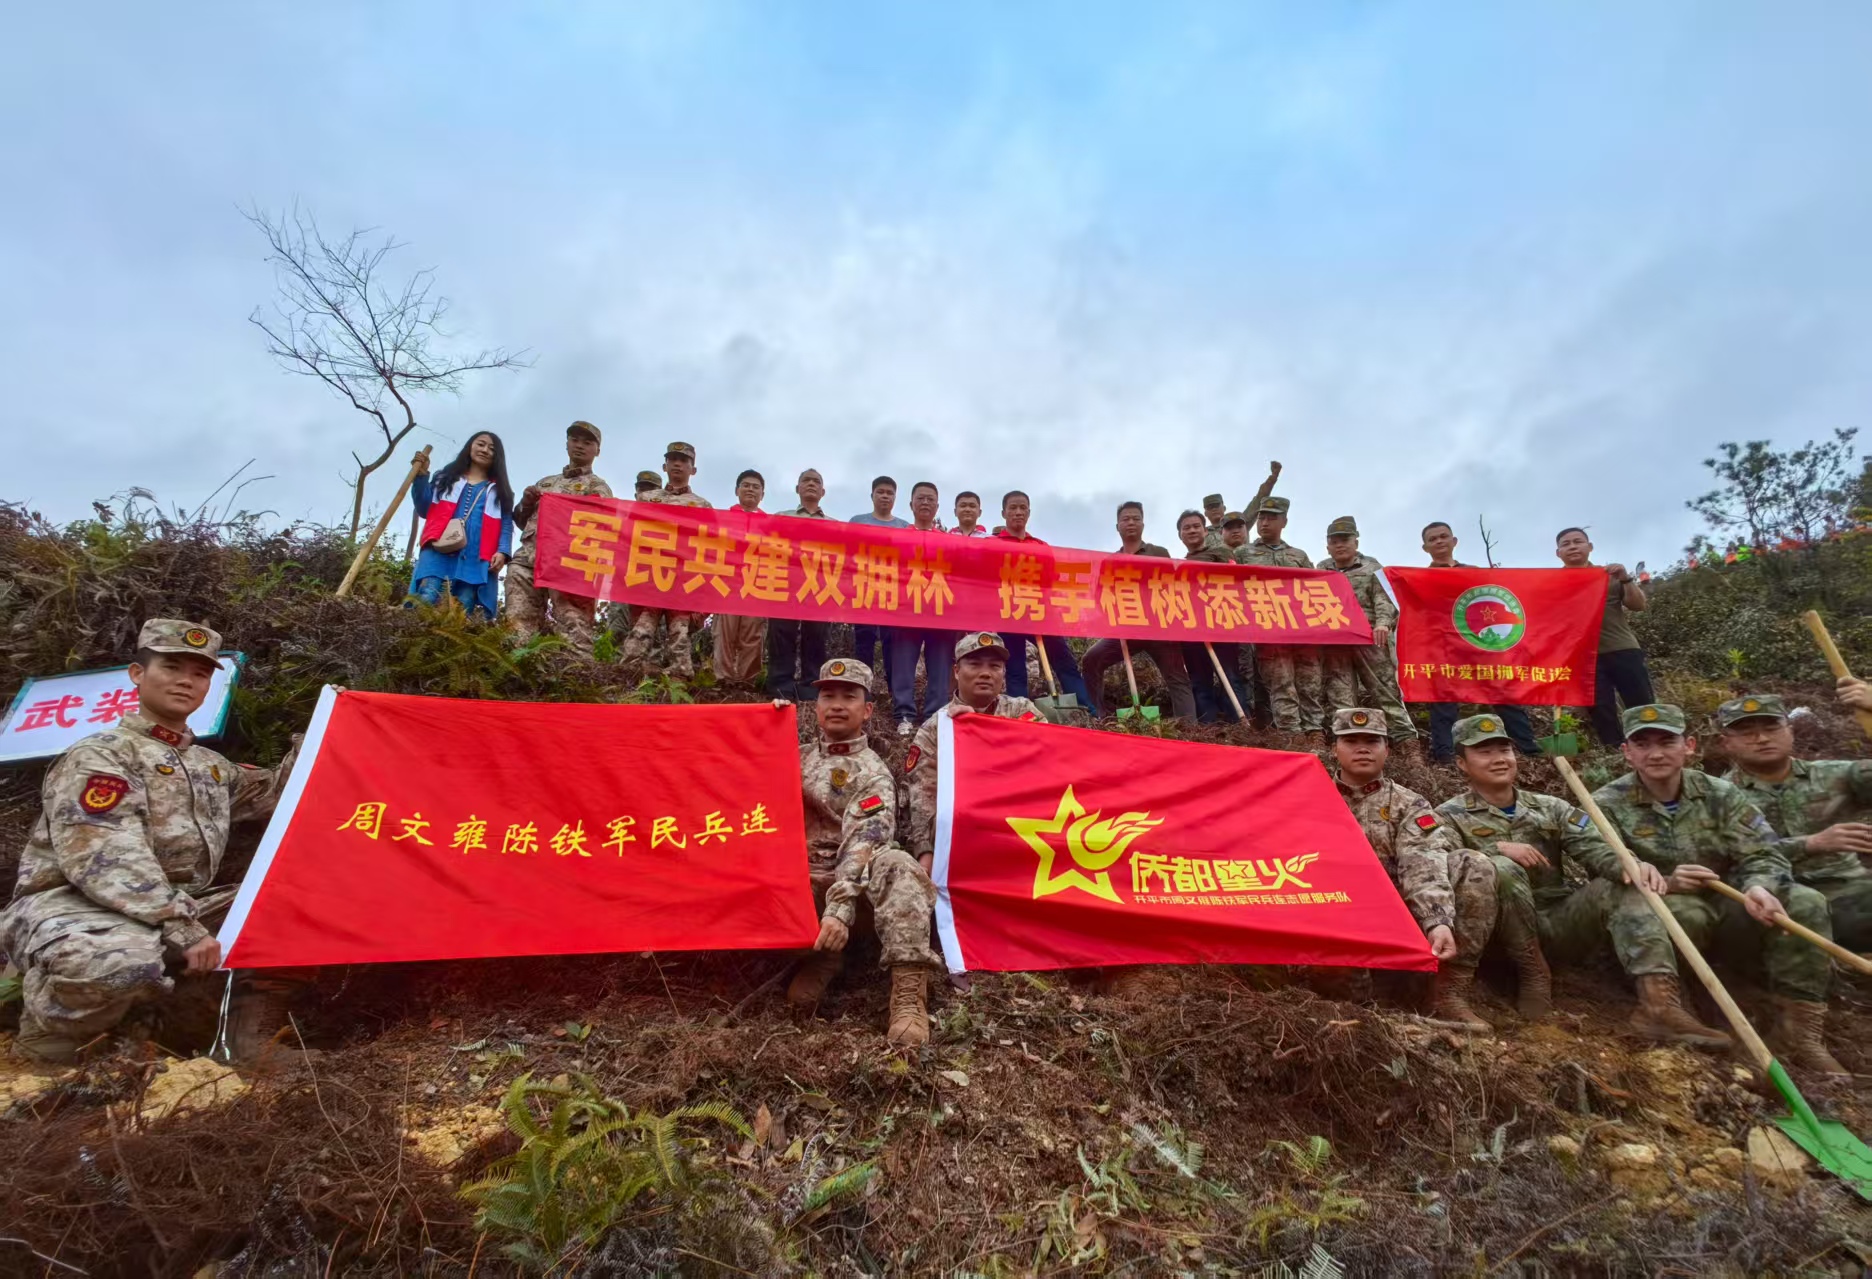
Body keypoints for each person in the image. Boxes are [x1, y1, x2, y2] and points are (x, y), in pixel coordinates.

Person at [2, 620, 305, 1064]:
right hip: (76, 905)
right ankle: (49, 1040)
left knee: (293, 904)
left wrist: (324, 731)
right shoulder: (101, 755)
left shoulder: (209, 766)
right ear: (137, 673)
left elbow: (284, 791)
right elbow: (104, 855)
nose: (186, 681)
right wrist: (180, 926)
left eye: (199, 673)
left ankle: (247, 1042)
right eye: (172, 667)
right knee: (120, 962)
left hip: (174, 906)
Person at [1591, 704, 1845, 1074]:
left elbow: (1763, 851)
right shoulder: (1606, 803)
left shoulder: (1722, 794)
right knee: (1687, 913)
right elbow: (1605, 863)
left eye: (1667, 742)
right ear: (1627, 752)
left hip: (1730, 908)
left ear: (1689, 746)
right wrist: (1669, 882)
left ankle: (1801, 1033)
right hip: (1665, 918)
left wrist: (1760, 886)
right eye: (1642, 744)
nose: (1656, 753)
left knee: (1806, 902)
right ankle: (1675, 1003)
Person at [1435, 715, 1645, 1027]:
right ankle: (1533, 971)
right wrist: (1495, 849)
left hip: (1554, 921)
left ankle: (1658, 996)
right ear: (1462, 764)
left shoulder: (1552, 807)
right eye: (1484, 752)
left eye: (1504, 750)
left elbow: (1593, 846)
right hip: (1492, 936)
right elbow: (1440, 864)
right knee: (1502, 867)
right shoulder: (1447, 816)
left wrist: (1626, 866)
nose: (1499, 759)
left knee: (1616, 884)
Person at [780, 660, 941, 1047]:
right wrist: (762, 725)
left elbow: (862, 843)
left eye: (849, 697)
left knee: (899, 867)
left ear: (867, 710)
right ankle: (822, 957)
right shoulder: (790, 756)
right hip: (798, 883)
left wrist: (839, 910)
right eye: (828, 696)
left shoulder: (872, 773)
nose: (837, 705)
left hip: (851, 891)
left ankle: (908, 995)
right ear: (815, 707)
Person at [1330, 708, 1498, 1030]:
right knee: (1356, 1004)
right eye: (1351, 741)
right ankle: (1361, 1001)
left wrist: (1437, 920)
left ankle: (1447, 992)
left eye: (1372, 741)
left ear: (1387, 750)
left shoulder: (1410, 804)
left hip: (1399, 914)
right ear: (1334, 749)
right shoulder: (1312, 796)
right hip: (1338, 913)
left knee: (1473, 864)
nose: (1362, 748)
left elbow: (1422, 858)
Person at [1718, 694, 1872, 952]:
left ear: (1790, 731)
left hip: (1848, 888)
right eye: (1747, 733)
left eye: (1772, 728)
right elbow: (1724, 861)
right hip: (1771, 896)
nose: (1762, 739)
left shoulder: (1836, 774)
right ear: (1726, 743)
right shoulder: (1717, 795)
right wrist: (1810, 844)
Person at [906, 632, 1048, 864]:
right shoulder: (937, 728)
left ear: (1003, 673)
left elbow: (1047, 759)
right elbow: (924, 796)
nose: (985, 673)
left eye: (995, 666)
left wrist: (981, 731)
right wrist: (926, 852)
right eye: (974, 664)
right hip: (965, 832)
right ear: (956, 671)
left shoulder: (1022, 711)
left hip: (1025, 824)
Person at [1419, 522, 1541, 762]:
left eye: (1444, 536)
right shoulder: (1420, 578)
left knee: (1503, 693)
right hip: (1444, 647)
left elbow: (1495, 598)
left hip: (1480, 643)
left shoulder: (1475, 572)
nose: (1439, 541)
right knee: (1443, 700)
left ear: (1454, 541)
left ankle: (1528, 749)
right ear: (1425, 548)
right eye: (1433, 539)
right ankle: (1445, 757)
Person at [1078, 502, 1198, 722]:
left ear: (1143, 524)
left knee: (1177, 677)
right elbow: (1101, 596)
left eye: (1136, 518)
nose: (1131, 523)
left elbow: (1172, 587)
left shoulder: (1158, 553)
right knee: (1091, 660)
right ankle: (1098, 716)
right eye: (1126, 519)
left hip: (1159, 629)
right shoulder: (1110, 562)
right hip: (1126, 630)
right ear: (1118, 526)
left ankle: (1190, 728)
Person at [1318, 517, 1419, 759]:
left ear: (1356, 542)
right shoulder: (1321, 569)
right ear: (1327, 546)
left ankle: (1408, 746)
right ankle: (1346, 747)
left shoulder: (1372, 567)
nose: (1340, 545)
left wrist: (1383, 623)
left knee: (1386, 692)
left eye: (1345, 540)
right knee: (1340, 695)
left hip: (1370, 637)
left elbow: (1384, 598)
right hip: (1336, 642)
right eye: (1334, 541)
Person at [506, 421, 612, 653]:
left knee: (574, 627)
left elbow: (602, 527)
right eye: (574, 440)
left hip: (568, 564)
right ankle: (520, 667)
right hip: (528, 560)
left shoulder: (598, 487)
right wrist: (526, 502)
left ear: (597, 451)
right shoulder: (546, 483)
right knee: (518, 625)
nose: (579, 446)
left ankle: (577, 672)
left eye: (587, 442)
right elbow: (521, 520)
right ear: (566, 444)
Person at [992, 492, 1093, 708]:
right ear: (1003, 513)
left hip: (1041, 613)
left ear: (1029, 513)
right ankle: (1021, 712)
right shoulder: (993, 545)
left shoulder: (1040, 546)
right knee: (1015, 668)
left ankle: (1086, 710)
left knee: (1064, 661)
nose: (1018, 512)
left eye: (1022, 508)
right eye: (1013, 508)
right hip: (1010, 613)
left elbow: (1051, 579)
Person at [622, 442, 713, 678]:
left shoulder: (702, 506)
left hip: (682, 581)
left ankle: (678, 682)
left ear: (693, 469)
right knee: (640, 632)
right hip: (649, 576)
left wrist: (702, 599)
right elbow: (627, 538)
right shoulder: (646, 499)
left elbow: (709, 552)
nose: (677, 464)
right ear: (664, 466)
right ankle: (628, 680)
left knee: (679, 635)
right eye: (673, 459)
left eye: (684, 461)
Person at [1556, 528, 1654, 746]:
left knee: (1641, 704)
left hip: (1622, 649)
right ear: (1558, 553)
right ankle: (1616, 752)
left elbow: (1638, 605)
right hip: (1582, 657)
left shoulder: (1609, 575)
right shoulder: (1552, 582)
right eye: (1566, 544)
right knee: (1601, 711)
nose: (1572, 546)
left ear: (1590, 547)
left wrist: (1626, 579)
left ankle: (1650, 746)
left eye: (1578, 541)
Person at [1238, 496, 1323, 745]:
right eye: (1261, 518)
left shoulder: (1298, 556)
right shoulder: (1244, 553)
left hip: (1302, 632)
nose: (1264, 523)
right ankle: (1293, 737)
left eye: (1271, 518)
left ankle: (1315, 733)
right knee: (1281, 685)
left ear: (1284, 522)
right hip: (1269, 632)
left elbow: (1317, 588)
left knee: (1310, 684)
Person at [408, 432, 515, 621]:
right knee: (427, 596)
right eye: (480, 444)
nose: (485, 450)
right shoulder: (445, 478)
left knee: (462, 608)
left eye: (492, 448)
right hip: (438, 548)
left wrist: (503, 551)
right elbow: (424, 508)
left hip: (476, 555)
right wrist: (421, 476)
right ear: (470, 446)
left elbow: (506, 524)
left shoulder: (500, 491)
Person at [886, 482, 957, 732]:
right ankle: (904, 715)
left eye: (930, 499)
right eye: (920, 498)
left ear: (937, 507)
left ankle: (934, 716)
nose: (925, 503)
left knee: (940, 666)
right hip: (907, 609)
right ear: (911, 505)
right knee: (903, 665)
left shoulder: (949, 542)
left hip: (940, 610)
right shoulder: (897, 537)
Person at [1175, 509, 1252, 723]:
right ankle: (1208, 727)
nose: (1192, 531)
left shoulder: (1222, 553)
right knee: (1199, 681)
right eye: (1186, 528)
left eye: (1196, 526)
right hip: (1192, 631)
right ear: (1180, 535)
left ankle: (1240, 725)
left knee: (1231, 677)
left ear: (1206, 531)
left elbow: (1234, 581)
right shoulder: (1177, 566)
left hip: (1221, 626)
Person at [768, 469, 833, 702]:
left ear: (823, 491)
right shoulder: (781, 517)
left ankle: (810, 686)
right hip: (786, 583)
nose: (811, 484)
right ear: (797, 488)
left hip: (819, 587)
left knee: (815, 636)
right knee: (780, 634)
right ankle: (780, 687)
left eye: (816, 481)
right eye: (806, 480)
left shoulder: (834, 525)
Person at [847, 476, 910, 692]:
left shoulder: (905, 527)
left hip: (893, 592)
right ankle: (862, 688)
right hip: (864, 588)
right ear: (872, 495)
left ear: (895, 497)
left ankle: (894, 689)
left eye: (889, 493)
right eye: (880, 492)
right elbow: (847, 552)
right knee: (864, 639)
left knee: (892, 641)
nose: (885, 496)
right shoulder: (857, 522)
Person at [711, 469, 769, 686]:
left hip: (757, 584)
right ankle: (723, 678)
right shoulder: (722, 518)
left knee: (753, 634)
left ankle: (748, 681)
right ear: (737, 490)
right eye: (746, 485)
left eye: (756, 487)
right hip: (727, 583)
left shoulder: (770, 524)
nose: (750, 490)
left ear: (762, 494)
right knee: (724, 633)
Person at [1200, 462, 1282, 553]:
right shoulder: (1202, 533)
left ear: (1224, 508)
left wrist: (1272, 478)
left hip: (1243, 560)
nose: (1214, 509)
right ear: (1205, 513)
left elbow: (1259, 499)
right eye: (1210, 507)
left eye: (1216, 505)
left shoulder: (1241, 521)